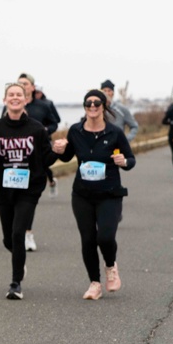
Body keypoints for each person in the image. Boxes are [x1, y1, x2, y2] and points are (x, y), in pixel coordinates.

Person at [0, 83, 56, 300]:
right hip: (4, 188)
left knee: (18, 233)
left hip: (29, 189)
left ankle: (15, 284)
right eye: (11, 94)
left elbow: (47, 158)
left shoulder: (37, 128)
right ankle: (19, 261)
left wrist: (58, 150)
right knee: (8, 240)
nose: (15, 97)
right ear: (5, 100)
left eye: (19, 94)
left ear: (25, 100)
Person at [52, 89, 136, 300]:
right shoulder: (76, 131)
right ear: (84, 106)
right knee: (88, 239)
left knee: (105, 237)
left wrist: (124, 162)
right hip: (82, 194)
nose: (92, 106)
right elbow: (67, 157)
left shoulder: (115, 132)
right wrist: (59, 149)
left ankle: (110, 266)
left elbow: (131, 159)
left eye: (97, 102)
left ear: (104, 106)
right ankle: (95, 283)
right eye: (88, 103)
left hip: (109, 193)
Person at [14, 73, 60, 250]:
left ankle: (28, 233)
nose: (22, 86)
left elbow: (55, 123)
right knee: (15, 197)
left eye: (25, 84)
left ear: (32, 87)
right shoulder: (12, 105)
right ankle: (17, 231)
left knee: (28, 196)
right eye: (19, 83)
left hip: (38, 153)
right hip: (16, 154)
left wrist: (45, 130)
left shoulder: (44, 105)